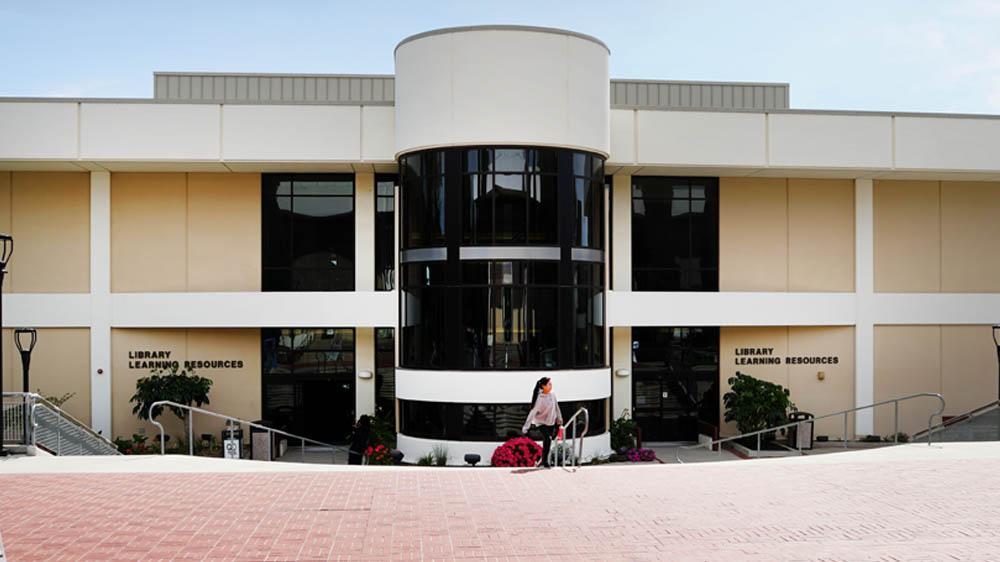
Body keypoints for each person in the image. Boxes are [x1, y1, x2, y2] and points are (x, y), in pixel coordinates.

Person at [522, 377, 563, 468]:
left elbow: (556, 407)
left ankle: (541, 461)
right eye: (549, 384)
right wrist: (526, 427)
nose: (551, 385)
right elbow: (532, 413)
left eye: (551, 384)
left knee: (548, 441)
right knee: (548, 439)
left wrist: (560, 419)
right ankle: (545, 462)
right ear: (543, 386)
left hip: (551, 422)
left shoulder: (552, 394)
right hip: (540, 422)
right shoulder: (539, 399)